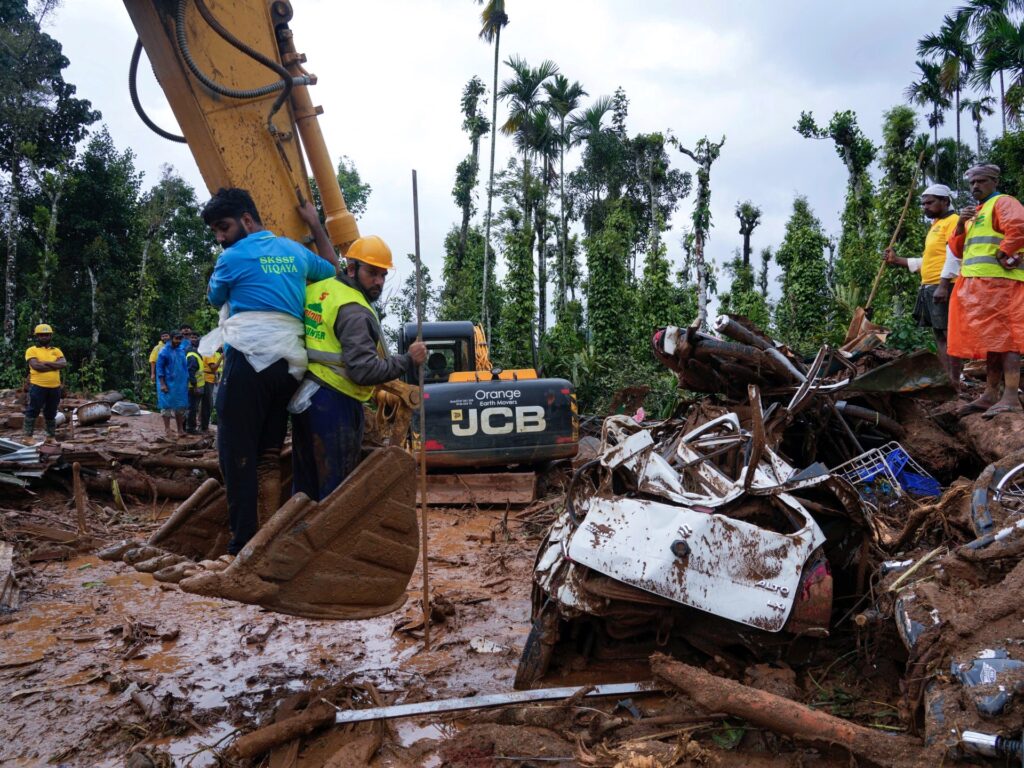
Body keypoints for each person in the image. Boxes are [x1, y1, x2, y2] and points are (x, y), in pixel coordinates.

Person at [203, 187, 338, 555]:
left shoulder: (230, 259)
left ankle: (242, 544)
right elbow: (333, 271)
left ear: (247, 219)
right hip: (289, 369)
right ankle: (271, 535)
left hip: (248, 361)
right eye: (215, 230)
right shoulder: (294, 251)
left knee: (235, 454)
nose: (220, 237)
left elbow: (216, 298)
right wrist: (316, 225)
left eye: (224, 227)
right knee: (266, 455)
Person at [292, 235, 426, 501]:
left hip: (305, 398)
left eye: (382, 275)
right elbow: (363, 371)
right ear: (352, 269)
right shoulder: (355, 310)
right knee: (335, 492)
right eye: (371, 273)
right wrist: (408, 360)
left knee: (305, 488)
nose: (378, 282)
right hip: (334, 403)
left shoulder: (319, 289)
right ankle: (328, 543)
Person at [947, 163, 1024, 418]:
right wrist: (959, 225)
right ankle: (991, 394)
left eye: (980, 181)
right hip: (982, 287)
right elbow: (958, 251)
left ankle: (1011, 396)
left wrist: (1004, 251)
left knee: (1009, 340)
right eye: (971, 183)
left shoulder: (1003, 202)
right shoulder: (973, 214)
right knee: (994, 341)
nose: (975, 187)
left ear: (993, 181)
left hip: (1002, 284)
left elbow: (1019, 227)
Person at [884, 183, 962, 389]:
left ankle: (954, 380)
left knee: (948, 334)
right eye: (923, 203)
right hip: (931, 285)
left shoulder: (954, 222)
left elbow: (955, 255)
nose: (925, 207)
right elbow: (930, 260)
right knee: (939, 333)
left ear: (945, 201)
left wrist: (943, 285)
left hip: (945, 284)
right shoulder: (936, 224)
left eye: (930, 202)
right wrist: (897, 260)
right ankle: (947, 378)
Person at [23, 323, 66, 441]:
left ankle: (50, 437)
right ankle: (27, 437)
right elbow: (36, 366)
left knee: (51, 412)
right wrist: (54, 365)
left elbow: (63, 364)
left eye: (46, 335)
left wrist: (45, 363)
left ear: (50, 336)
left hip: (55, 387)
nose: (44, 337)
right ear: (37, 336)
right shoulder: (31, 350)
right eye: (41, 335)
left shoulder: (56, 350)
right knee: (33, 410)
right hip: (38, 386)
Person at [157, 330, 189, 437]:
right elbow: (159, 368)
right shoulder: (164, 351)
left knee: (180, 406)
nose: (179, 341)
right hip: (168, 383)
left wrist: (187, 380)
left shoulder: (181, 350)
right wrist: (162, 384)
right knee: (166, 406)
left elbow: (184, 367)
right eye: (177, 339)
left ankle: (180, 429)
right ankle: (167, 429)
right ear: (171, 338)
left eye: (180, 339)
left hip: (180, 384)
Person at [185, 332, 206, 434]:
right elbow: (191, 372)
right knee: (192, 408)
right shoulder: (193, 356)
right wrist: (195, 386)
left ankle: (187, 427)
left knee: (192, 407)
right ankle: (190, 428)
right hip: (193, 387)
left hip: (196, 386)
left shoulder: (196, 354)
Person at [201, 345, 222, 431]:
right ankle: (204, 427)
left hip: (210, 379)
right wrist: (221, 357)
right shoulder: (210, 354)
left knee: (207, 403)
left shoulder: (210, 353)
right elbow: (213, 368)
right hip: (207, 380)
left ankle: (204, 425)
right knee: (208, 404)